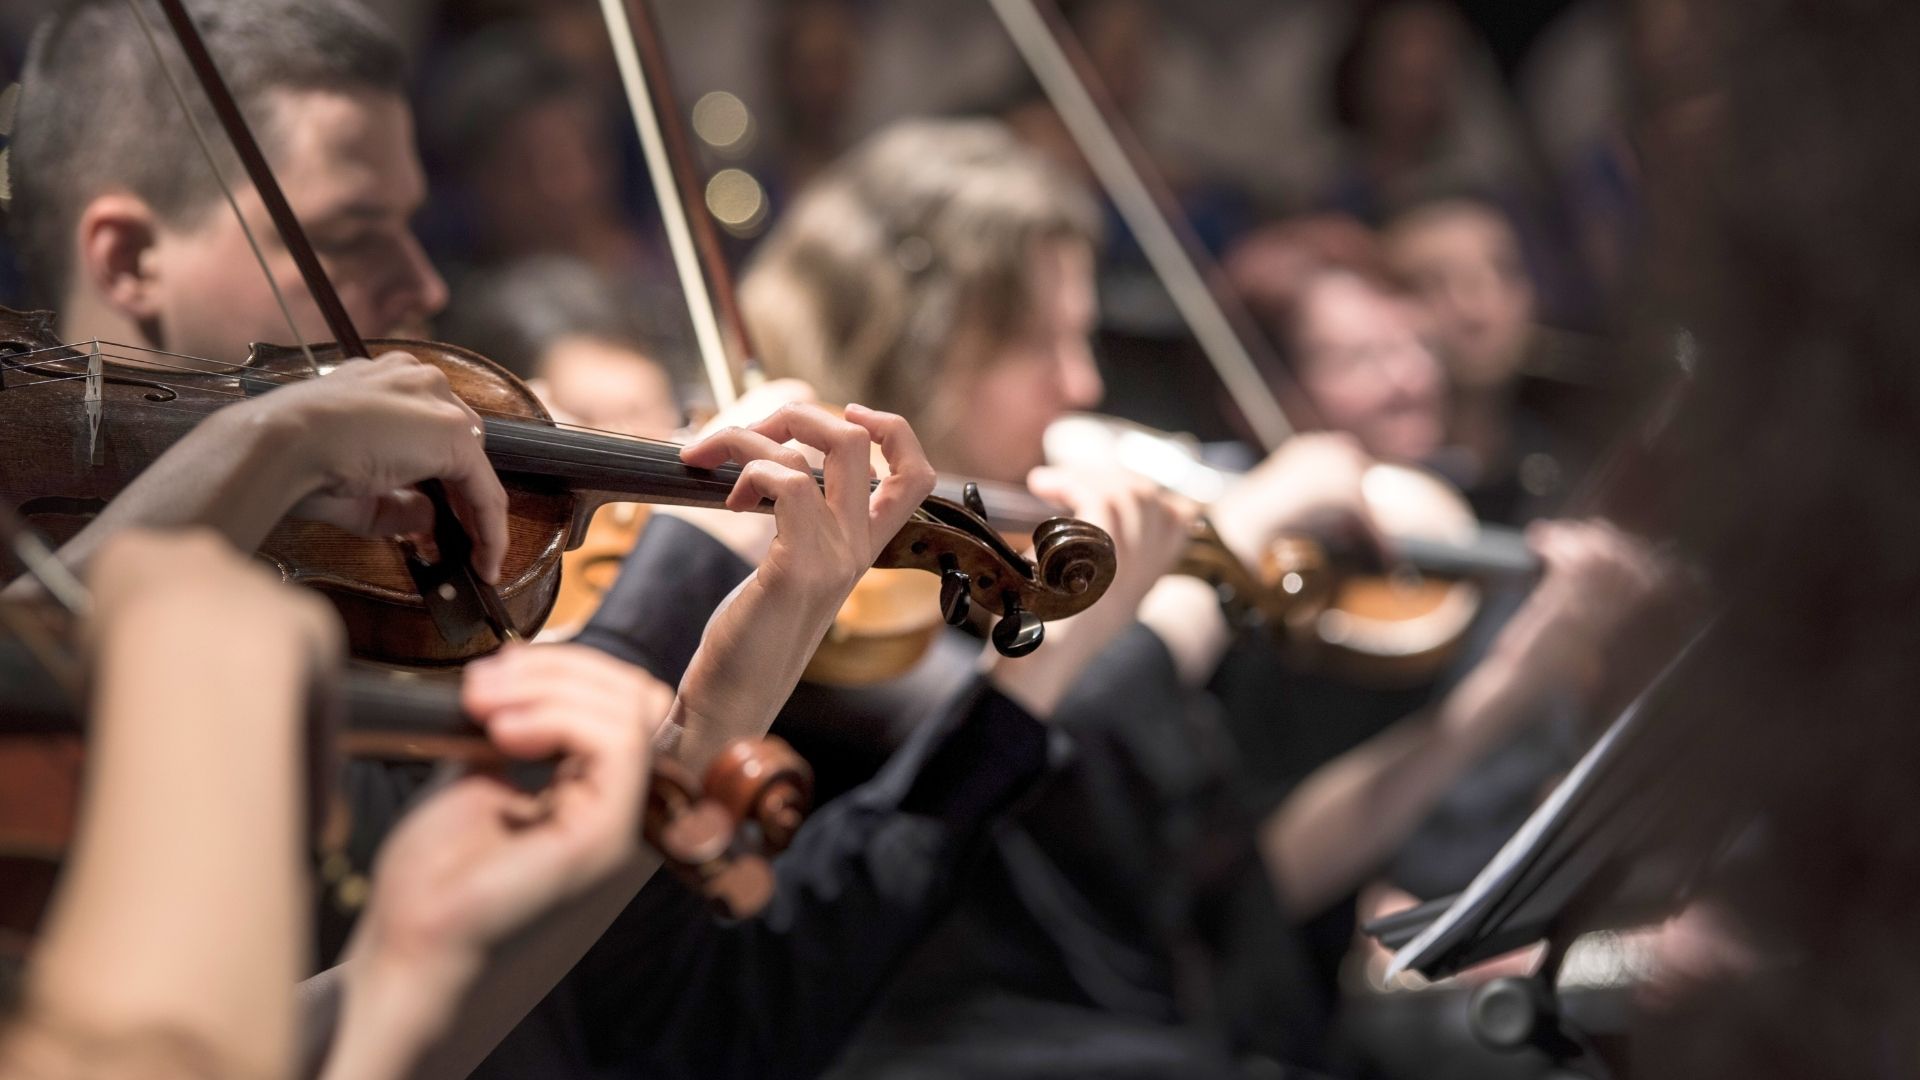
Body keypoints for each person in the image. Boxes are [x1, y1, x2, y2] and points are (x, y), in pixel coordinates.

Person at [736, 117, 1676, 1075]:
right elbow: (1051, 748)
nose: (1083, 382)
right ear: (918, 343)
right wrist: (1246, 522)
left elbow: (1231, 882)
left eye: (1081, 336)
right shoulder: (835, 588)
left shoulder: (1014, 538)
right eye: (1039, 341)